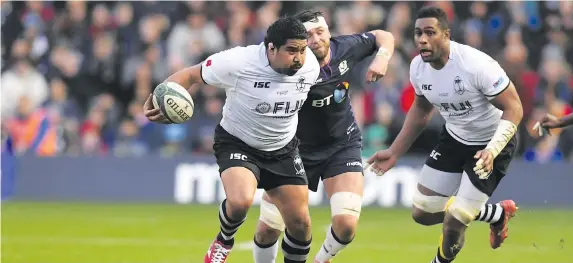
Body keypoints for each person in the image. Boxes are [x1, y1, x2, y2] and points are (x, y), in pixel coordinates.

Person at [144, 16, 321, 263]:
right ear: (271, 48)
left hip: (283, 149)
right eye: (292, 50)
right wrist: (157, 99)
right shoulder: (238, 62)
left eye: (302, 50)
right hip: (239, 143)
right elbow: (189, 75)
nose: (299, 58)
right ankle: (224, 240)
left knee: (301, 225)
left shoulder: (310, 65)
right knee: (240, 202)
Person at [366, 6, 523, 263]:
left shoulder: (475, 65)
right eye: (418, 33)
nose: (422, 39)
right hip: (454, 138)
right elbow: (421, 108)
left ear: (446, 35)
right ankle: (495, 214)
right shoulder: (418, 67)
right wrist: (394, 152)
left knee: (454, 220)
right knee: (422, 212)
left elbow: (514, 108)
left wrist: (493, 149)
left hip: (491, 144)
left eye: (430, 32)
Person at [252, 10, 395, 263]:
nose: (316, 39)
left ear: (329, 31)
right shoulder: (286, 66)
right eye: (308, 35)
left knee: (346, 225)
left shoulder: (345, 48)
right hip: (293, 151)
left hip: (342, 145)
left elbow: (384, 36)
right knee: (266, 231)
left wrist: (382, 58)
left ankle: (321, 260)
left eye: (321, 31)